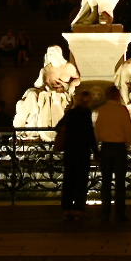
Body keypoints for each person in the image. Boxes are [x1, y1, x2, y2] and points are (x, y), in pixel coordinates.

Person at [94, 86, 131, 222]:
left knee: (106, 182)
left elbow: (97, 130)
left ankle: (105, 212)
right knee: (120, 183)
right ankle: (120, 212)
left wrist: (96, 149)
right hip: (119, 148)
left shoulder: (103, 110)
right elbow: (128, 129)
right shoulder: (121, 110)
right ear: (117, 96)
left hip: (106, 148)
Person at [57, 90, 96, 220]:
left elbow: (57, 127)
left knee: (68, 181)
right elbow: (90, 134)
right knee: (81, 182)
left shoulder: (70, 113)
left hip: (70, 151)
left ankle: (66, 209)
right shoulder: (87, 113)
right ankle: (78, 210)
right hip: (83, 152)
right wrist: (96, 152)